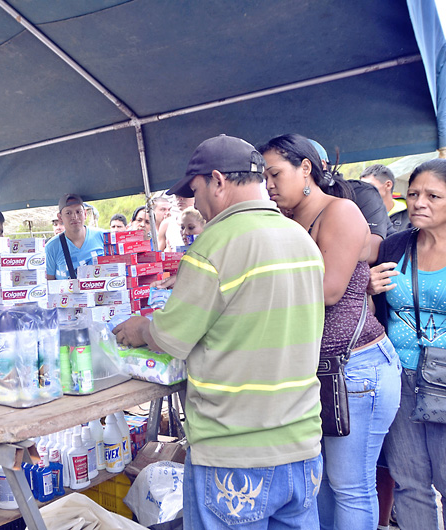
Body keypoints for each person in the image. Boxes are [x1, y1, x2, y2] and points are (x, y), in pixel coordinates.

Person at [114, 134, 325, 529]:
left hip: (235, 452)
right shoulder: (301, 238)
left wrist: (143, 328)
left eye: (195, 192)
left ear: (217, 181)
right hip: (302, 447)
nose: (195, 204)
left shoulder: (214, 245)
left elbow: (173, 338)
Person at [259, 133, 401, 530]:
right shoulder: (286, 220)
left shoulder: (340, 212)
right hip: (319, 370)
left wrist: (254, 295)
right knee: (319, 482)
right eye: (264, 178)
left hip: (357, 369)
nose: (269, 186)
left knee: (350, 486)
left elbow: (328, 290)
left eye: (275, 174)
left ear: (305, 168)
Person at [369, 158, 446, 530]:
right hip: (399, 374)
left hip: (445, 381)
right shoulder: (395, 246)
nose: (419, 203)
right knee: (409, 481)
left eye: (433, 195)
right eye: (413, 194)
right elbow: (374, 308)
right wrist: (368, 288)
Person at [45, 193, 105, 280]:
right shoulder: (51, 247)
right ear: (60, 217)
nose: (74, 217)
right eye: (68, 213)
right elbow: (49, 284)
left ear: (85, 214)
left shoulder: (102, 236)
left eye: (78, 212)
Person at [361, 164, 412, 235]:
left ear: (388, 185)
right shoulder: (359, 214)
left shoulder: (411, 214)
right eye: (362, 187)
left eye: (369, 186)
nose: (364, 191)